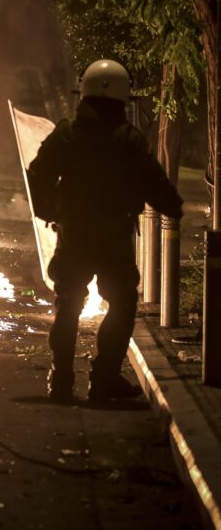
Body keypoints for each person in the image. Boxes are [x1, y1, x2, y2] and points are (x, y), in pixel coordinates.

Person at [27, 59, 183, 402]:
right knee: (122, 303)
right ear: (123, 98)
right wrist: (174, 208)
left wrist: (49, 210)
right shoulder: (129, 140)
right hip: (114, 238)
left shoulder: (67, 134)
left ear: (83, 92)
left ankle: (62, 381)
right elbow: (154, 182)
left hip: (75, 235)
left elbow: (37, 174)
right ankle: (104, 380)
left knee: (68, 306)